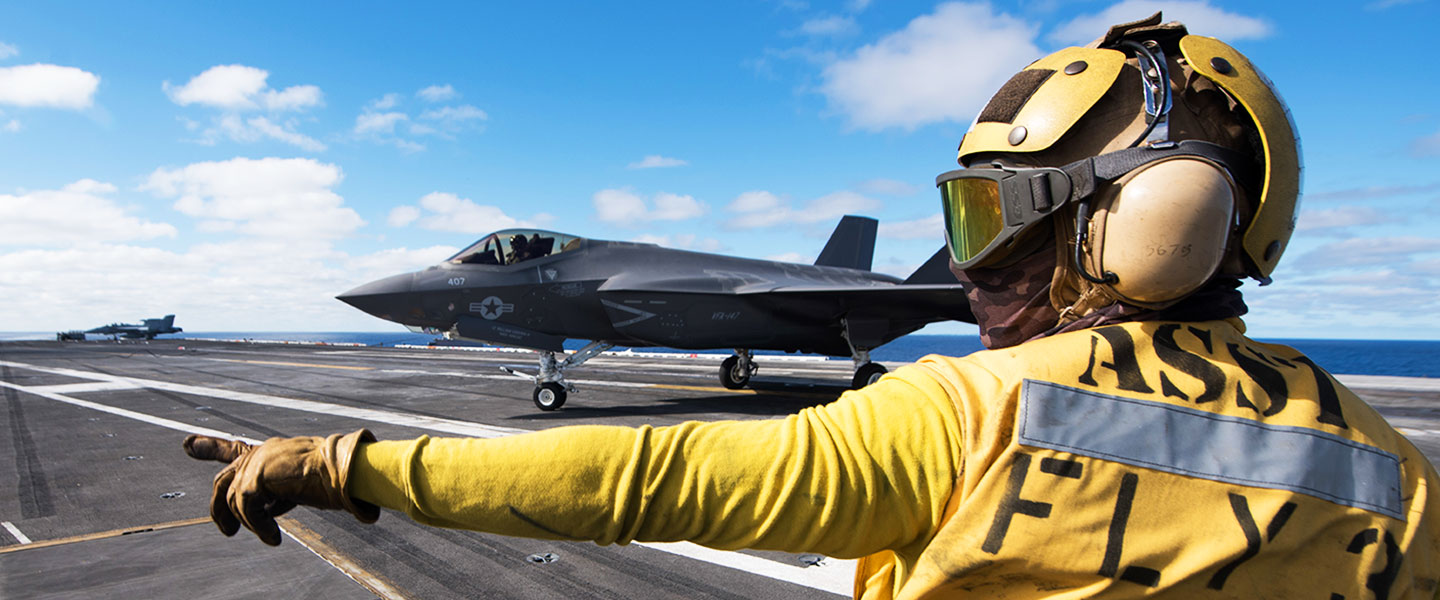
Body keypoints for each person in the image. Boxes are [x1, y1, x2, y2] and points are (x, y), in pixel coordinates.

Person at [185, 14, 1440, 599]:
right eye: (964, 224)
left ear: (1132, 228)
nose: (977, 271)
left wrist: (345, 460)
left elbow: (645, 483)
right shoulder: (1396, 470)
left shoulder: (963, 418)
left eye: (1003, 222)